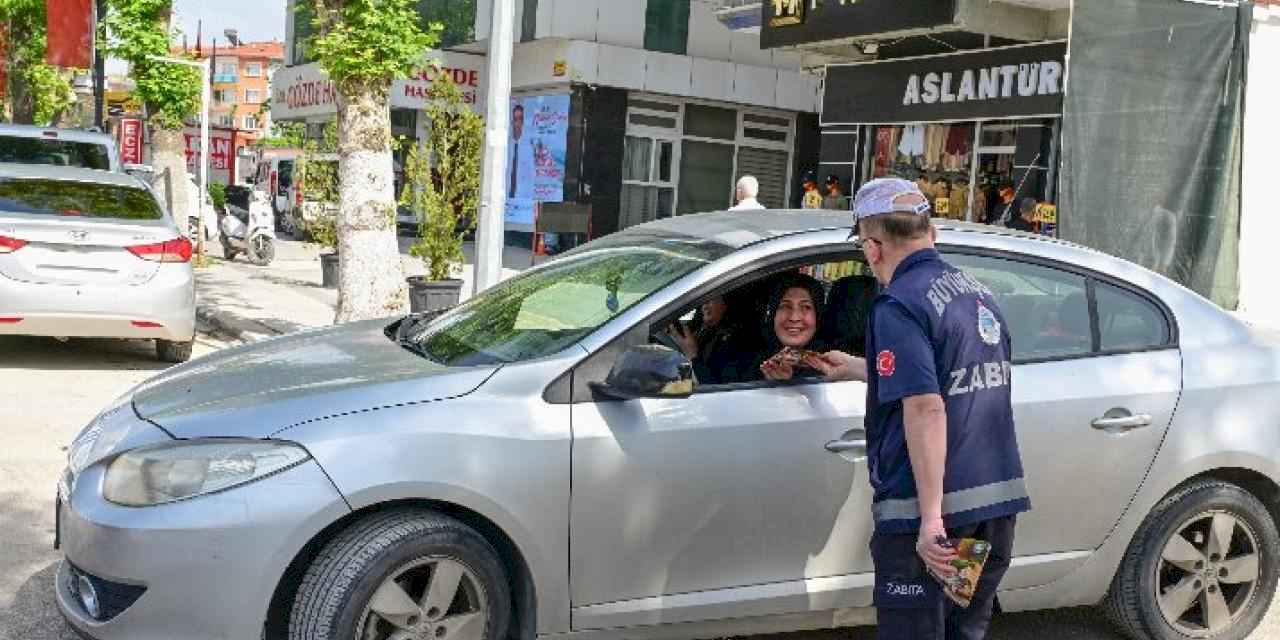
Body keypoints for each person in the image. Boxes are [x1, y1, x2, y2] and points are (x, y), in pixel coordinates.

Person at [804, 177, 1030, 640]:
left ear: (872, 247)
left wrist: (930, 523)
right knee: (959, 630)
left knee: (916, 631)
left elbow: (927, 407)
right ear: (932, 234)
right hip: (990, 510)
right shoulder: (977, 294)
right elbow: (946, 376)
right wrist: (863, 368)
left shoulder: (898, 304)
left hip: (930, 522)